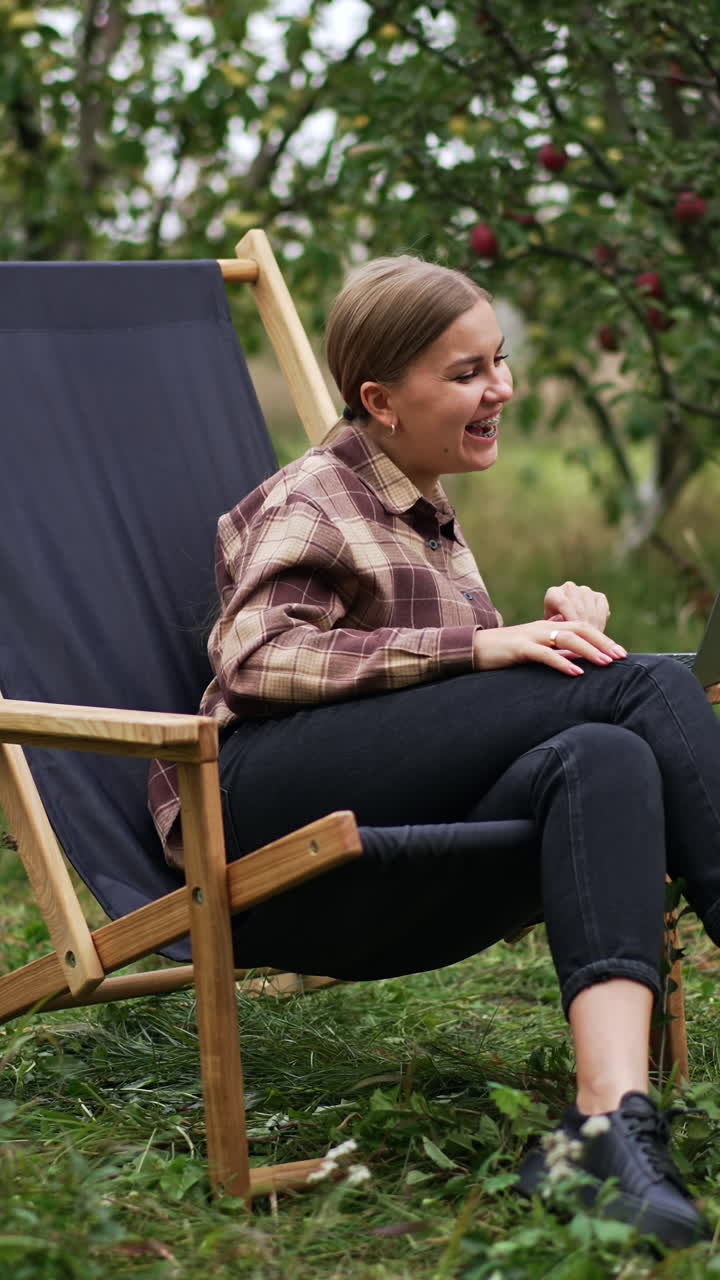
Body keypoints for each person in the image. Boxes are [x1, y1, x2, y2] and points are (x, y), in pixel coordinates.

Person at [149, 255, 720, 1247]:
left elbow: (440, 712)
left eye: (499, 361)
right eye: (467, 372)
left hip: (374, 838)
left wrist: (552, 637)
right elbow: (259, 658)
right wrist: (484, 648)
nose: (501, 387)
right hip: (252, 811)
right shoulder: (316, 494)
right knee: (643, 685)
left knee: (606, 752)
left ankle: (607, 1121)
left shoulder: (427, 509)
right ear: (380, 399)